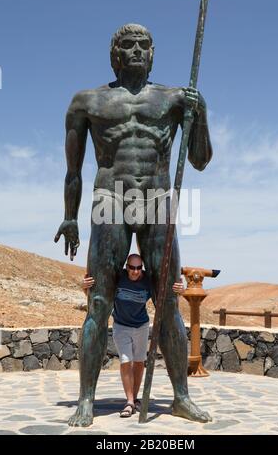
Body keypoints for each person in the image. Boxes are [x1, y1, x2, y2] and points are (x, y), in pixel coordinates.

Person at [54, 23, 213, 427]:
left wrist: (201, 113)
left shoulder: (176, 99)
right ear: (116, 54)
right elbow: (73, 171)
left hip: (158, 201)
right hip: (110, 200)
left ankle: (180, 397)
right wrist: (70, 216)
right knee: (99, 302)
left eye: (143, 45)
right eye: (128, 45)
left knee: (168, 304)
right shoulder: (87, 102)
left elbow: (199, 160)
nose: (137, 50)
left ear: (153, 53)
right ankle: (86, 400)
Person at [83, 253, 184, 417]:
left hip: (141, 326)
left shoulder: (147, 281)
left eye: (138, 268)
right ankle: (129, 402)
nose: (135, 272)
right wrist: (85, 287)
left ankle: (135, 398)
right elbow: (95, 296)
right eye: (132, 268)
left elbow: (165, 296)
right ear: (126, 267)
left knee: (139, 362)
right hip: (121, 326)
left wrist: (180, 290)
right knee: (125, 361)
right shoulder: (118, 279)